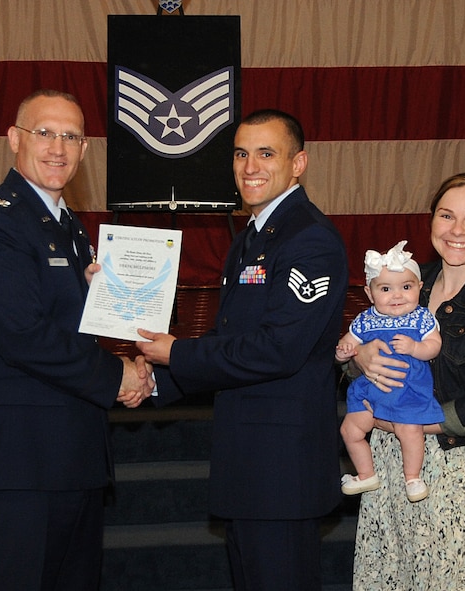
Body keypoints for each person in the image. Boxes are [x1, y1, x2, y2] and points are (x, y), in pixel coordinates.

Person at [0, 89, 154, 590]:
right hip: (16, 471)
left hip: (69, 462)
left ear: (85, 150)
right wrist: (118, 375)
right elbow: (23, 336)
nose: (58, 147)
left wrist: (122, 321)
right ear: (14, 139)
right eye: (45, 133)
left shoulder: (69, 227)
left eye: (71, 136)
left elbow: (65, 322)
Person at [136, 109, 348, 591]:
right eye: (241, 153)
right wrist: (152, 380)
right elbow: (229, 342)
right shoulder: (250, 238)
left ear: (298, 164)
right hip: (249, 465)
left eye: (266, 153)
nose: (250, 166)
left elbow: (278, 350)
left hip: (281, 472)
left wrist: (179, 356)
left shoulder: (309, 238)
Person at [347, 172, 465, 590]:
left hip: (455, 468)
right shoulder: (405, 282)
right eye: (447, 216)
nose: (458, 231)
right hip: (387, 462)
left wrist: (408, 424)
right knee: (384, 579)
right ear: (431, 223)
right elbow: (352, 353)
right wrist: (360, 357)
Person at [336, 240, 444, 503]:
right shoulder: (365, 319)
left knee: (409, 431)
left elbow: (435, 346)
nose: (397, 295)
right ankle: (366, 473)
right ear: (370, 294)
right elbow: (348, 342)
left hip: (407, 390)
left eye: (406, 287)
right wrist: (343, 351)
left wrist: (415, 348)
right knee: (349, 431)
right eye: (385, 289)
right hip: (371, 392)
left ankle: (413, 476)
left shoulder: (421, 317)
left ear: (420, 288)